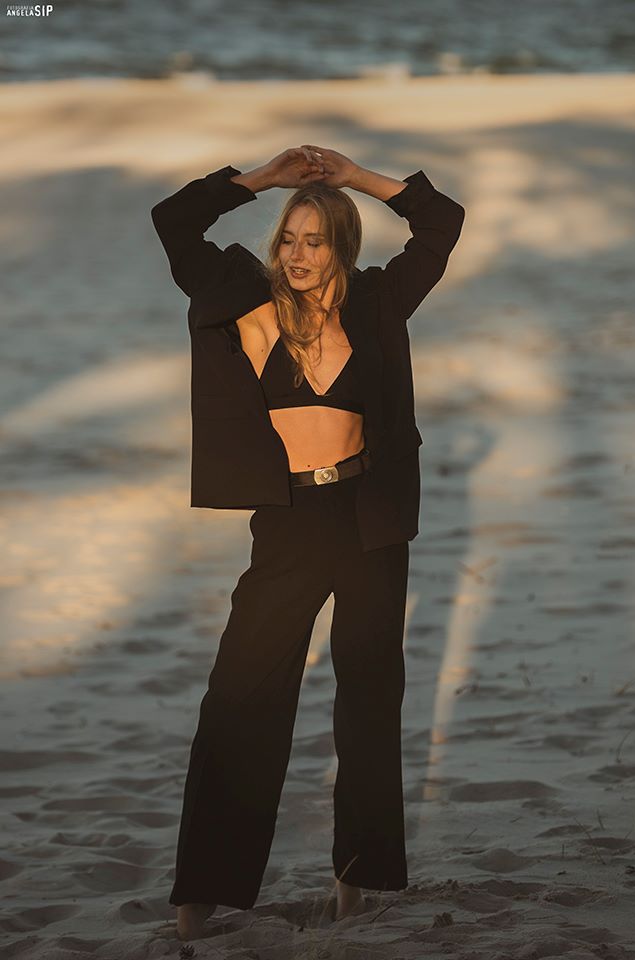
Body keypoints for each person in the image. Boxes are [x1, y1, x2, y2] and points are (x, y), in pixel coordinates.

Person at [151, 145, 465, 940]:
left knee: (368, 700)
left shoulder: (378, 301)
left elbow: (440, 222)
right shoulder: (242, 297)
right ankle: (198, 900)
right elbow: (174, 221)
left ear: (342, 248)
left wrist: (354, 177)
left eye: (314, 241)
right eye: (288, 239)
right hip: (288, 523)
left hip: (368, 520)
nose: (296, 255)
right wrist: (262, 179)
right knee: (238, 701)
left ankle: (356, 884)